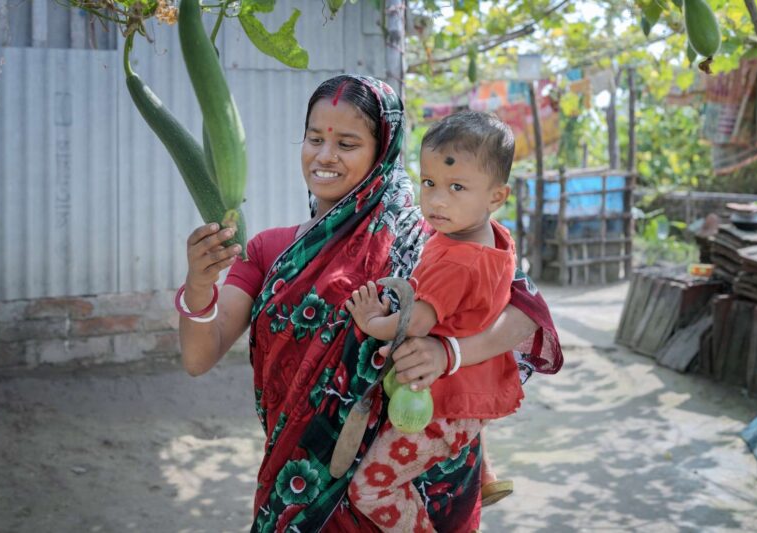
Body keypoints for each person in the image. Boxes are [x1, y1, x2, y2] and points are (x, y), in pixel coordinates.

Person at [177, 75, 562, 532]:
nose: (325, 155)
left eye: (347, 142)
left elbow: (524, 315)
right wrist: (199, 286)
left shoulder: (436, 231)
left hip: (416, 480)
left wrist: (448, 353)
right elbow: (200, 356)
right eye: (315, 138)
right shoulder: (271, 250)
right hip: (304, 481)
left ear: (382, 151)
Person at [344, 110, 524, 532]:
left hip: (444, 403)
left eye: (456, 187)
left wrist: (373, 323)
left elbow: (415, 323)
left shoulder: (454, 262)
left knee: (370, 490)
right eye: (429, 184)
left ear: (496, 197)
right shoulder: (495, 238)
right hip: (473, 390)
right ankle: (486, 474)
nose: (437, 200)